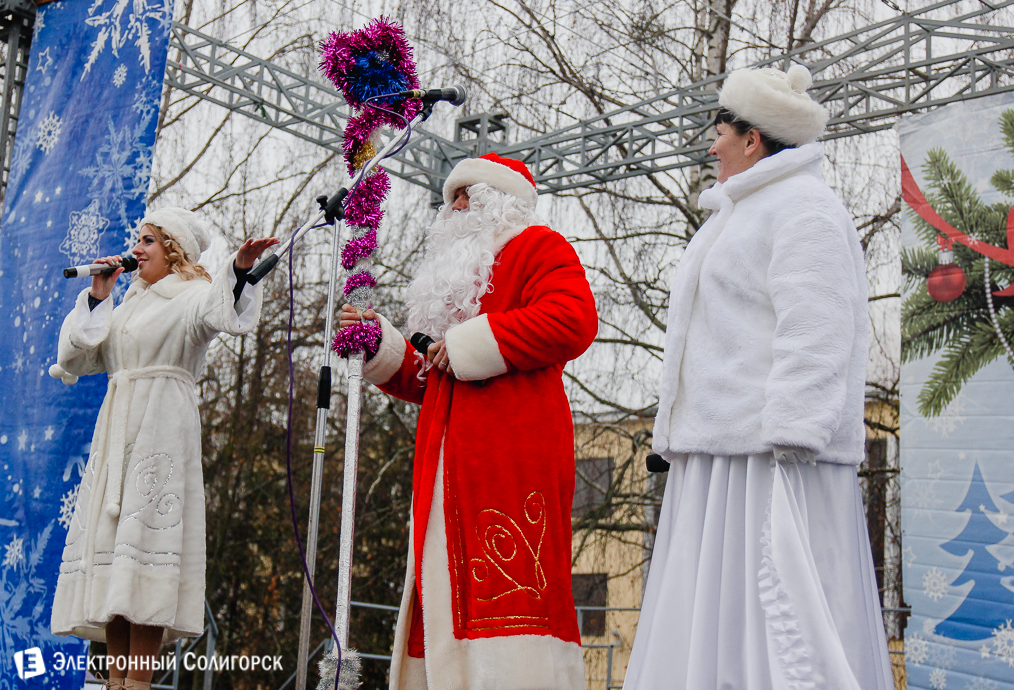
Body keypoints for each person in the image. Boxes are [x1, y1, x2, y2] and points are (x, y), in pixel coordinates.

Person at [623, 66, 895, 690]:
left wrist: (794, 432)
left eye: (720, 130)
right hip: (721, 457)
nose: (711, 144)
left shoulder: (806, 209)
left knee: (780, 617)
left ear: (753, 138)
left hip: (772, 458)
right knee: (716, 619)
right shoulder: (732, 217)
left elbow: (819, 325)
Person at [339, 153, 598, 690]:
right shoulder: (461, 277)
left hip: (511, 455)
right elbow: (434, 375)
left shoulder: (538, 246)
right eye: (451, 195)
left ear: (502, 201)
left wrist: (466, 344)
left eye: (468, 193)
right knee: (445, 593)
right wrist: (381, 345)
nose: (454, 205)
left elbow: (573, 319)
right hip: (445, 463)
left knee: (507, 599)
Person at [49, 208, 277, 690]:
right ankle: (113, 683)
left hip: (161, 432)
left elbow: (220, 312)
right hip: (117, 435)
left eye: (148, 240)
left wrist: (237, 270)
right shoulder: (126, 303)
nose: (137, 249)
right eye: (137, 239)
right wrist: (98, 296)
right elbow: (76, 357)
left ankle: (138, 684)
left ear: (173, 251)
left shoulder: (190, 296)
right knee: (114, 565)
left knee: (146, 555)